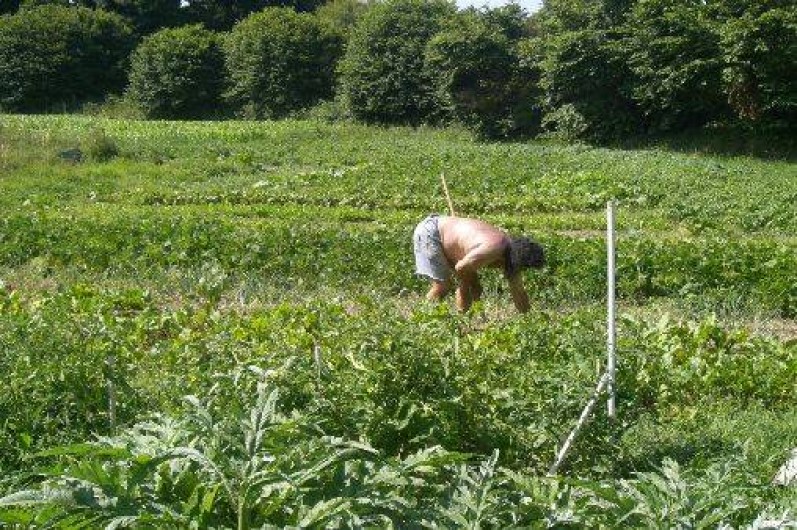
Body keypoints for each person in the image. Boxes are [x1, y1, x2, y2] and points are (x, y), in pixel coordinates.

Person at [413, 214, 545, 313]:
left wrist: (527, 319)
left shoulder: (513, 256)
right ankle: (420, 318)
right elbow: (461, 268)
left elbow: (518, 291)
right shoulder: (492, 249)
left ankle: (465, 320)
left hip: (453, 242)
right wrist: (468, 287)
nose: (521, 270)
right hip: (431, 233)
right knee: (443, 286)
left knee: (474, 287)